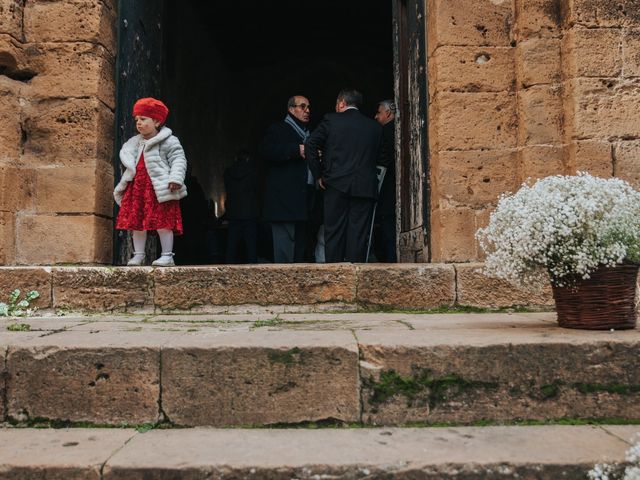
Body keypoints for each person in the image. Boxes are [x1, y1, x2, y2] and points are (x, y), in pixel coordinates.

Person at [306, 88, 382, 263]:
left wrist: (318, 175)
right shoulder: (374, 127)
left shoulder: (331, 120)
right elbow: (379, 157)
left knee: (334, 231)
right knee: (358, 232)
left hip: (335, 184)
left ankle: (336, 275)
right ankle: (356, 272)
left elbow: (310, 144)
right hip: (365, 185)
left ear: (341, 103)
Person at [114, 97, 188, 267]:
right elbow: (130, 159)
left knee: (163, 222)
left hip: (160, 187)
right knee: (137, 223)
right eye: (136, 120)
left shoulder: (169, 140)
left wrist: (175, 178)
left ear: (157, 121)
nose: (138, 123)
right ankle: (138, 255)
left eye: (143, 119)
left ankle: (167, 255)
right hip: (139, 187)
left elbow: (178, 159)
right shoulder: (135, 143)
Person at [259, 95, 313, 263]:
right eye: (302, 107)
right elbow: (266, 151)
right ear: (291, 109)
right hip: (283, 202)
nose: (307, 111)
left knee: (300, 250)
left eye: (308, 107)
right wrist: (297, 150)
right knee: (284, 254)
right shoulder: (278, 129)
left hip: (303, 201)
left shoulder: (308, 134)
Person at [223, 149, 258, 263]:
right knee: (251, 245)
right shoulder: (253, 171)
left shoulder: (228, 172)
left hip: (233, 213)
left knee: (231, 245)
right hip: (250, 213)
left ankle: (228, 267)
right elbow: (257, 190)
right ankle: (253, 267)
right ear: (248, 158)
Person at [374, 99, 397, 262]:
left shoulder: (384, 132)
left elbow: (382, 161)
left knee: (388, 229)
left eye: (379, 112)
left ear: (388, 113)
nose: (375, 116)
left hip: (389, 188)